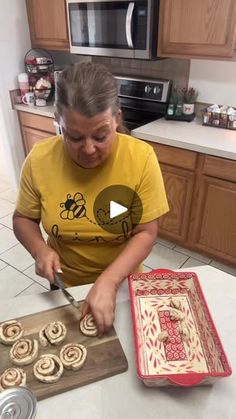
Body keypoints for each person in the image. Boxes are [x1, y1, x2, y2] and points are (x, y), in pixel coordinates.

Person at [13, 62, 169, 335]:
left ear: (117, 119)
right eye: (73, 137)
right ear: (58, 120)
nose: (88, 149)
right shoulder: (39, 160)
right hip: (65, 285)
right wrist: (39, 249)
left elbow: (146, 232)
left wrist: (109, 281)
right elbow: (23, 218)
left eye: (100, 136)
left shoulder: (141, 158)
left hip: (124, 282)